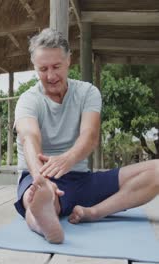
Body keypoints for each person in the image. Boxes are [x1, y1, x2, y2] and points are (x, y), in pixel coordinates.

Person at [13, 28, 159, 244]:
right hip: (37, 175)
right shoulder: (28, 99)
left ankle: (94, 212)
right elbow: (29, 137)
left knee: (157, 171)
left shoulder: (88, 92)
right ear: (35, 67)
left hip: (81, 179)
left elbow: (90, 136)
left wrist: (68, 158)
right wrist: (40, 178)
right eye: (43, 69)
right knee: (37, 197)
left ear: (69, 60)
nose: (51, 76)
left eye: (56, 67)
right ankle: (42, 219)